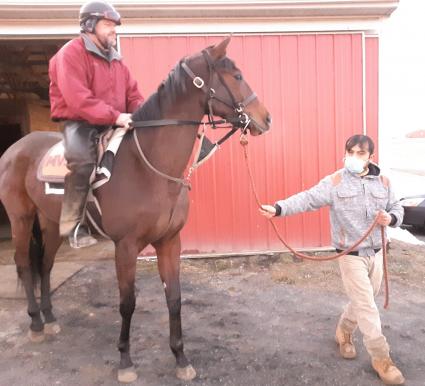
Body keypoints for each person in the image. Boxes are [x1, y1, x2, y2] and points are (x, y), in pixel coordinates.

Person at [259, 134, 405, 385]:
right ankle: (382, 359)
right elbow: (307, 198)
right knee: (367, 306)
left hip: (377, 253)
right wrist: (279, 208)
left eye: (360, 153)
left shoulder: (384, 182)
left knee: (367, 299)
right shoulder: (335, 182)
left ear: (371, 157)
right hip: (350, 255)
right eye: (350, 152)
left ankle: (344, 331)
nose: (354, 157)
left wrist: (390, 219)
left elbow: (397, 209)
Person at [49, 0, 144, 248]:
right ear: (89, 25)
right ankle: (72, 227)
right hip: (79, 122)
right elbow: (78, 99)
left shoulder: (116, 60)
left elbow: (133, 94)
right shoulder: (69, 54)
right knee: (82, 163)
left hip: (113, 120)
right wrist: (116, 117)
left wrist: (142, 114)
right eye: (107, 24)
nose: (114, 29)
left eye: (114, 25)